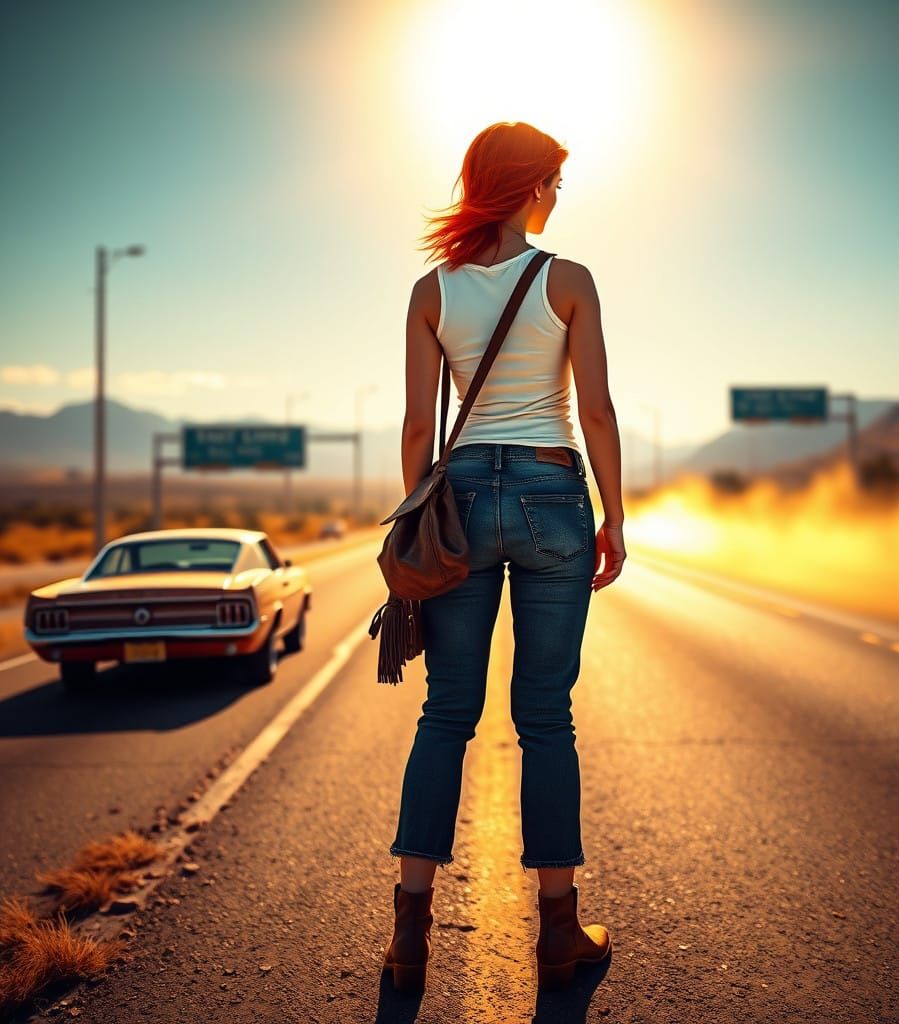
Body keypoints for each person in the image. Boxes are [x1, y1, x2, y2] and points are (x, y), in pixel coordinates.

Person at [381, 121, 627, 995]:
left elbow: (418, 425)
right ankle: (559, 932)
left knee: (447, 714)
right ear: (532, 188)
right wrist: (616, 516)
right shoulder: (568, 280)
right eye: (554, 183)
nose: (556, 199)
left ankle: (410, 937)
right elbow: (593, 408)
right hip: (555, 493)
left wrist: (422, 513)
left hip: (460, 498)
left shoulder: (430, 290)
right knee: (545, 716)